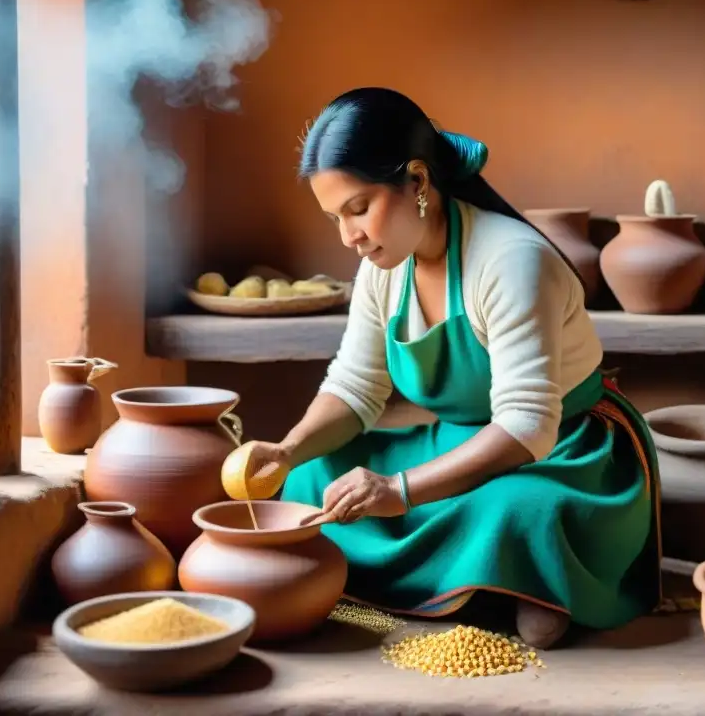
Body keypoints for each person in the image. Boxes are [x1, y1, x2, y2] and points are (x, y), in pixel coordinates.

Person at [236, 86, 662, 649]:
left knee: (517, 511)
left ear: (417, 182)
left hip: (562, 453)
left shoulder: (510, 261)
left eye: (359, 208)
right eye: (335, 217)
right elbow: (355, 389)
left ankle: (522, 580)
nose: (349, 237)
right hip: (457, 445)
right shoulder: (383, 269)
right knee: (311, 476)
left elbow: (527, 426)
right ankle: (492, 585)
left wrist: (400, 488)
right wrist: (288, 449)